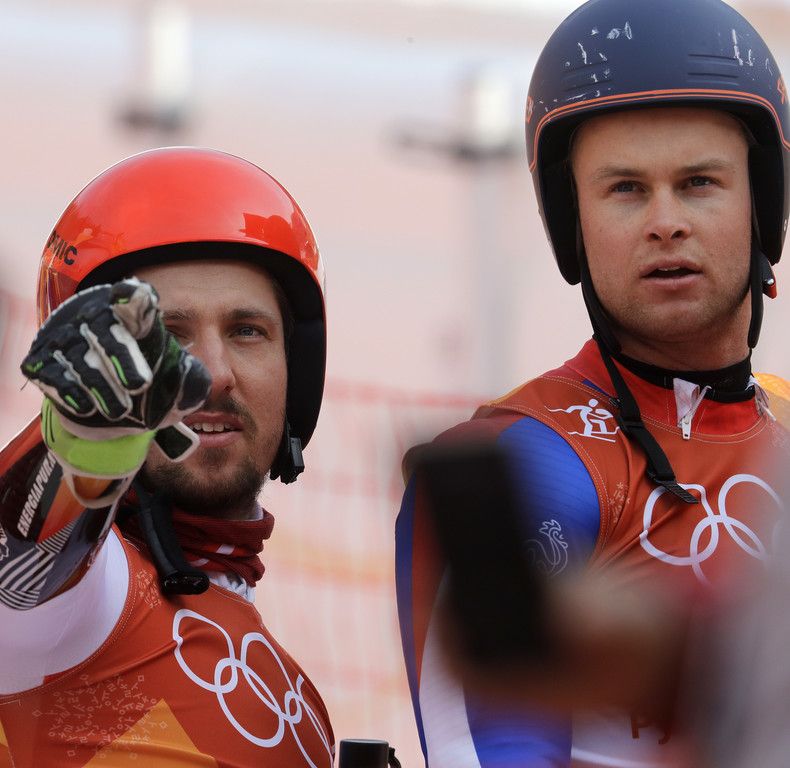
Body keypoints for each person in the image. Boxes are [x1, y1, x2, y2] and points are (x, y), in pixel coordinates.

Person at [395, 0, 790, 766]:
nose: (666, 221)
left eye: (699, 182)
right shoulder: (526, 458)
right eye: (626, 189)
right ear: (573, 223)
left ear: (763, 203)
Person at [0, 147, 334, 766]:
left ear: (298, 369)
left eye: (247, 330)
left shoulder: (292, 692)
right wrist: (83, 440)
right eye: (167, 337)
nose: (212, 373)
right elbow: (17, 570)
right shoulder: (79, 607)